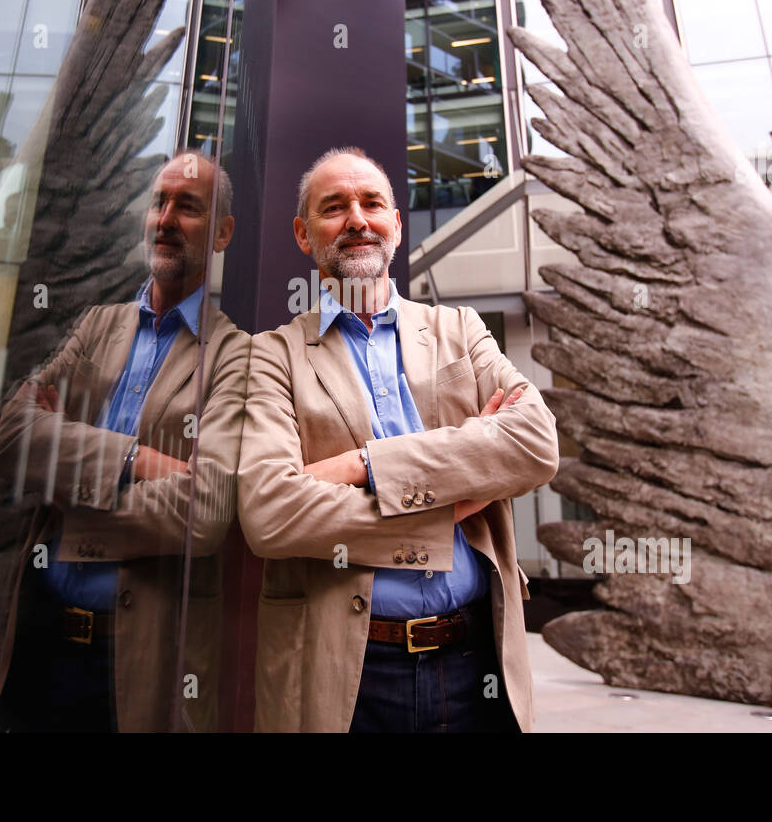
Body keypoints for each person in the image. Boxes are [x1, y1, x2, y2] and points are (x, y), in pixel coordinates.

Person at [237, 146, 560, 732]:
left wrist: (365, 465)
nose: (357, 219)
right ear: (303, 235)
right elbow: (269, 512)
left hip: (475, 660)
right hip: (347, 674)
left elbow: (535, 442)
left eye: (372, 203)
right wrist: (450, 507)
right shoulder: (271, 356)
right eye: (333, 207)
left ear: (395, 223)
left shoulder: (459, 329)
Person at [0, 151, 249, 732]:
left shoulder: (236, 355)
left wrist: (69, 477)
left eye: (189, 207)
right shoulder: (96, 327)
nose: (167, 218)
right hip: (39, 631)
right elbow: (8, 436)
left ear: (223, 232)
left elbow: (205, 510)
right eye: (160, 203)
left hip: (132, 656)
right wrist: (138, 459)